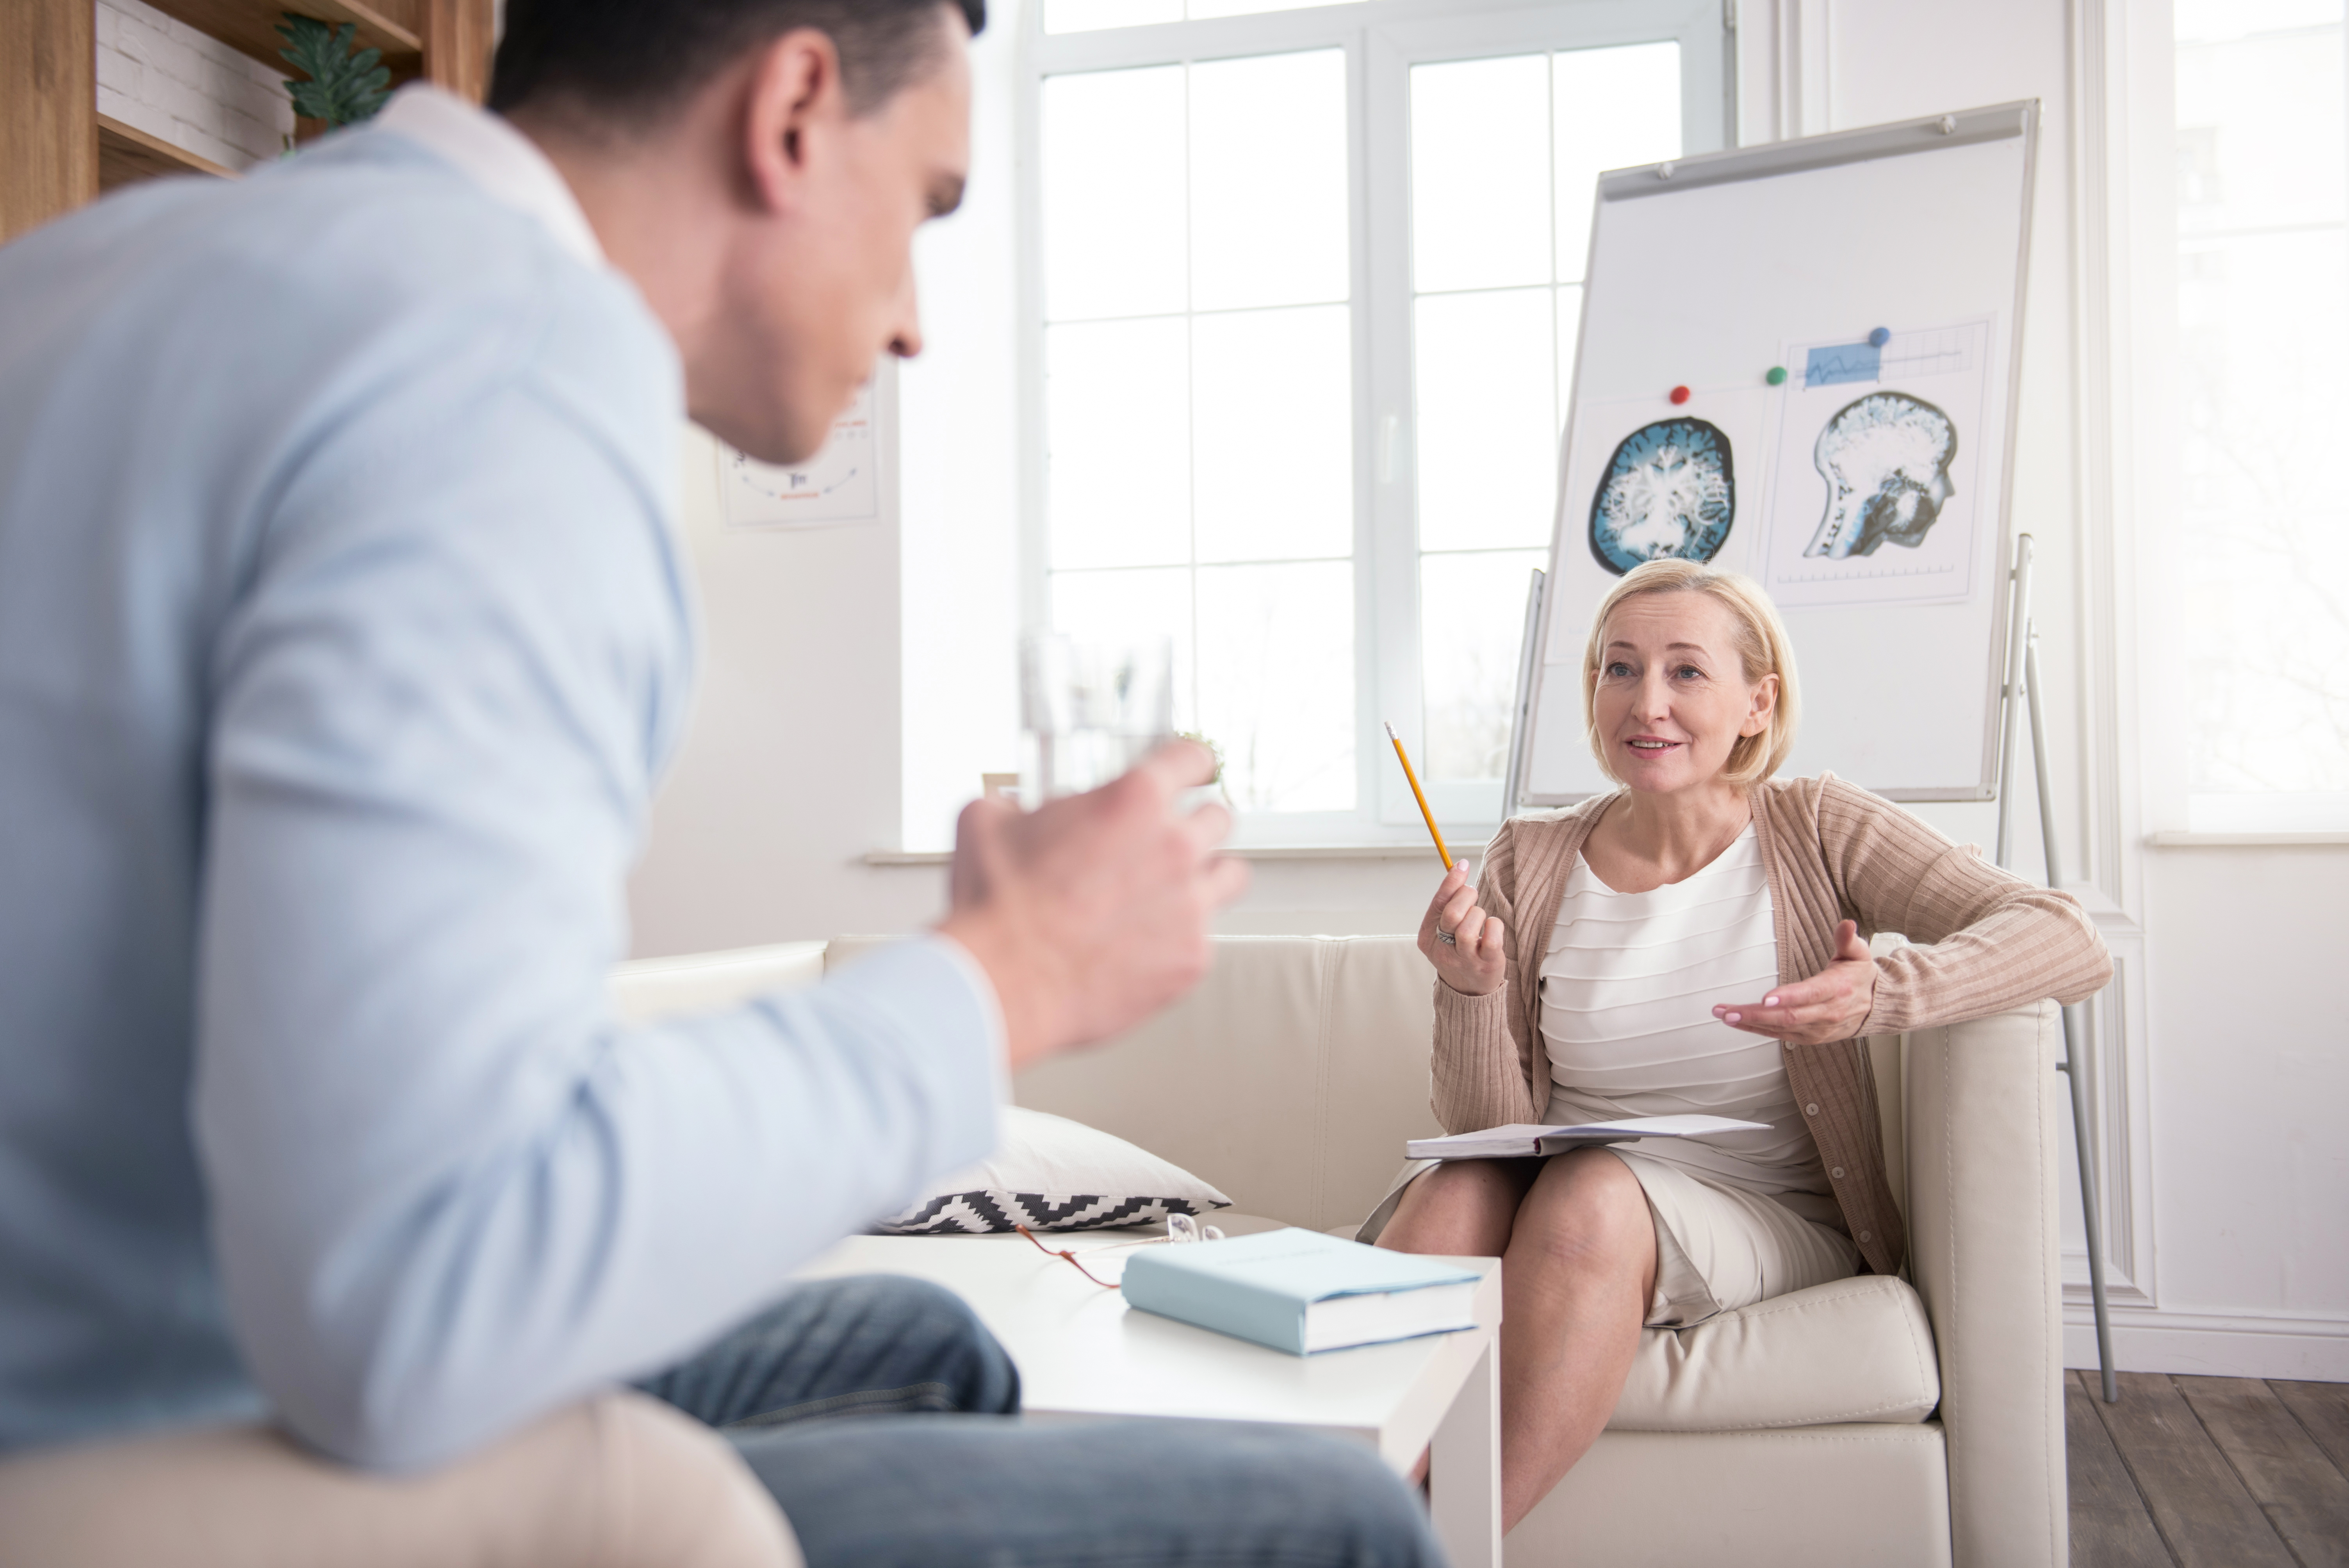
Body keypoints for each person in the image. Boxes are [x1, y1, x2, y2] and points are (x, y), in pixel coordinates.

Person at [0, 2, 1441, 1563]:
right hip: (154, 1422)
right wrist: (999, 981)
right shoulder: (512, 375)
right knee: (1340, 1522)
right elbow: (420, 1294)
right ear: (795, 111)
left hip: (129, 1304)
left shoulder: (100, 270)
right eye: (926, 210)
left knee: (918, 1339)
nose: (914, 326)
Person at [1372, 557, 2112, 1531]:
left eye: (1685, 671)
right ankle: (1329, 1527)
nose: (1647, 702)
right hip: (1560, 1196)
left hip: (1763, 1210)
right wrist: (1468, 993)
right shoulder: (1531, 854)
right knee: (1455, 1186)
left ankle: (1440, 1546)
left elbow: (2067, 936)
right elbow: (1490, 1134)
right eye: (1618, 668)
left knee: (1592, 1187)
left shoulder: (1815, 825)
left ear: (1757, 702)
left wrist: (1881, 993)